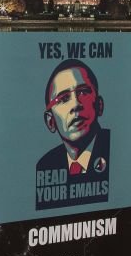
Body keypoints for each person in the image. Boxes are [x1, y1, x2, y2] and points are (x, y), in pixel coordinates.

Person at [36, 60, 110, 211]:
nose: (76, 104)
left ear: (99, 105)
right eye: (63, 99)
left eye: (83, 92)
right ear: (50, 122)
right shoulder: (46, 165)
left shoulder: (115, 150)